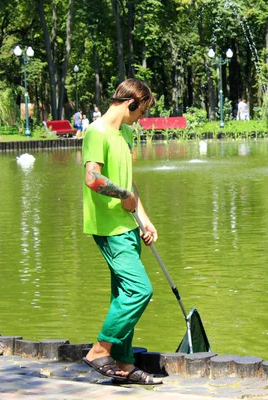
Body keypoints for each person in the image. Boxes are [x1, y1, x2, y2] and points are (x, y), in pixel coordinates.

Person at [81, 78, 162, 385]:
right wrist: (124, 197)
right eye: (141, 111)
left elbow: (130, 182)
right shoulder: (96, 131)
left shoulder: (125, 132)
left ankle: (125, 366)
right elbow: (92, 177)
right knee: (140, 290)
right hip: (108, 228)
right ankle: (99, 350)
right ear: (130, 104)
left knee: (123, 294)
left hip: (128, 226)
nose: (140, 119)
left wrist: (144, 216)